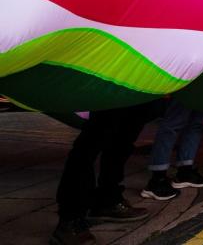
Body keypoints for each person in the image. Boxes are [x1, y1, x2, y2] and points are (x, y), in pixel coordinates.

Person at [50, 102, 157, 245]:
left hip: (141, 89)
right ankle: (70, 218)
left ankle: (108, 199)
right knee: (91, 142)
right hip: (113, 87)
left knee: (123, 140)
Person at [141, 100, 203, 201]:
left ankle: (185, 171)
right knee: (173, 124)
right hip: (187, 86)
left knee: (196, 123)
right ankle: (157, 179)